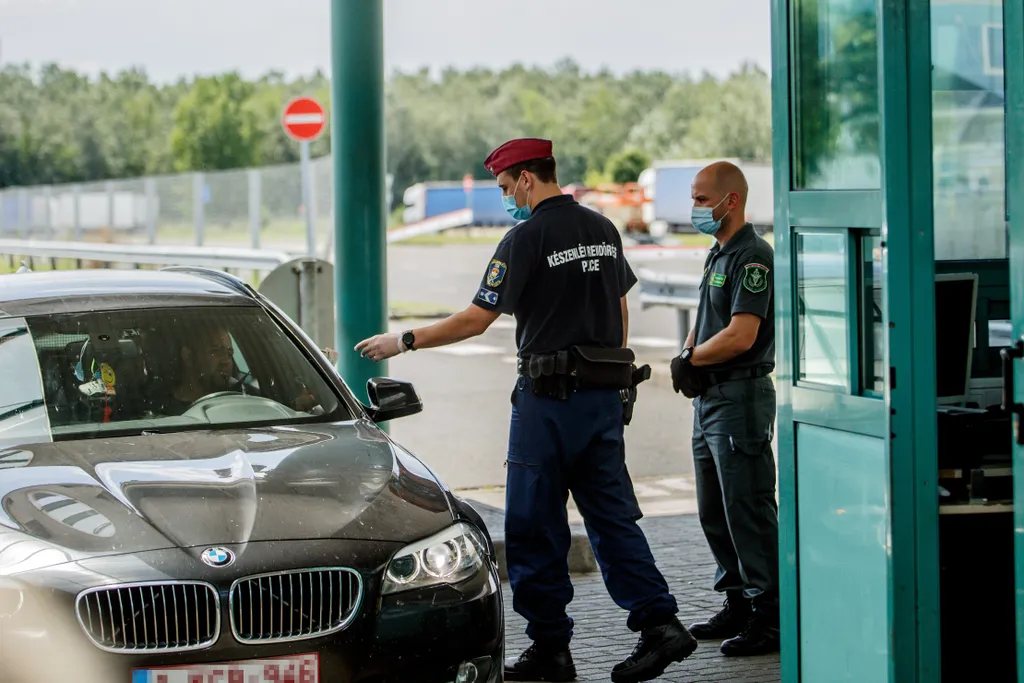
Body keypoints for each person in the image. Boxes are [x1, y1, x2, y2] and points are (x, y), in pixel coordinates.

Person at [356, 138, 697, 683]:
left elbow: (476, 319)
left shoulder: (525, 238)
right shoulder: (602, 230)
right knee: (613, 518)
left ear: (525, 179)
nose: (505, 197)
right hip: (604, 398)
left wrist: (405, 340)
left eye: (504, 186)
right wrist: (613, 378)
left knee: (533, 524)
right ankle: (661, 625)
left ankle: (550, 652)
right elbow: (618, 306)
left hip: (548, 407)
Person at [669, 161, 780, 657]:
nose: (694, 208)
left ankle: (771, 616)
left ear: (730, 201)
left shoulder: (753, 256)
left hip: (740, 398)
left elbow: (741, 334)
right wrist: (688, 353)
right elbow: (706, 322)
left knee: (748, 510)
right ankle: (736, 602)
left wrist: (691, 359)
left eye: (700, 199)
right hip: (711, 398)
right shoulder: (718, 254)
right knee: (714, 509)